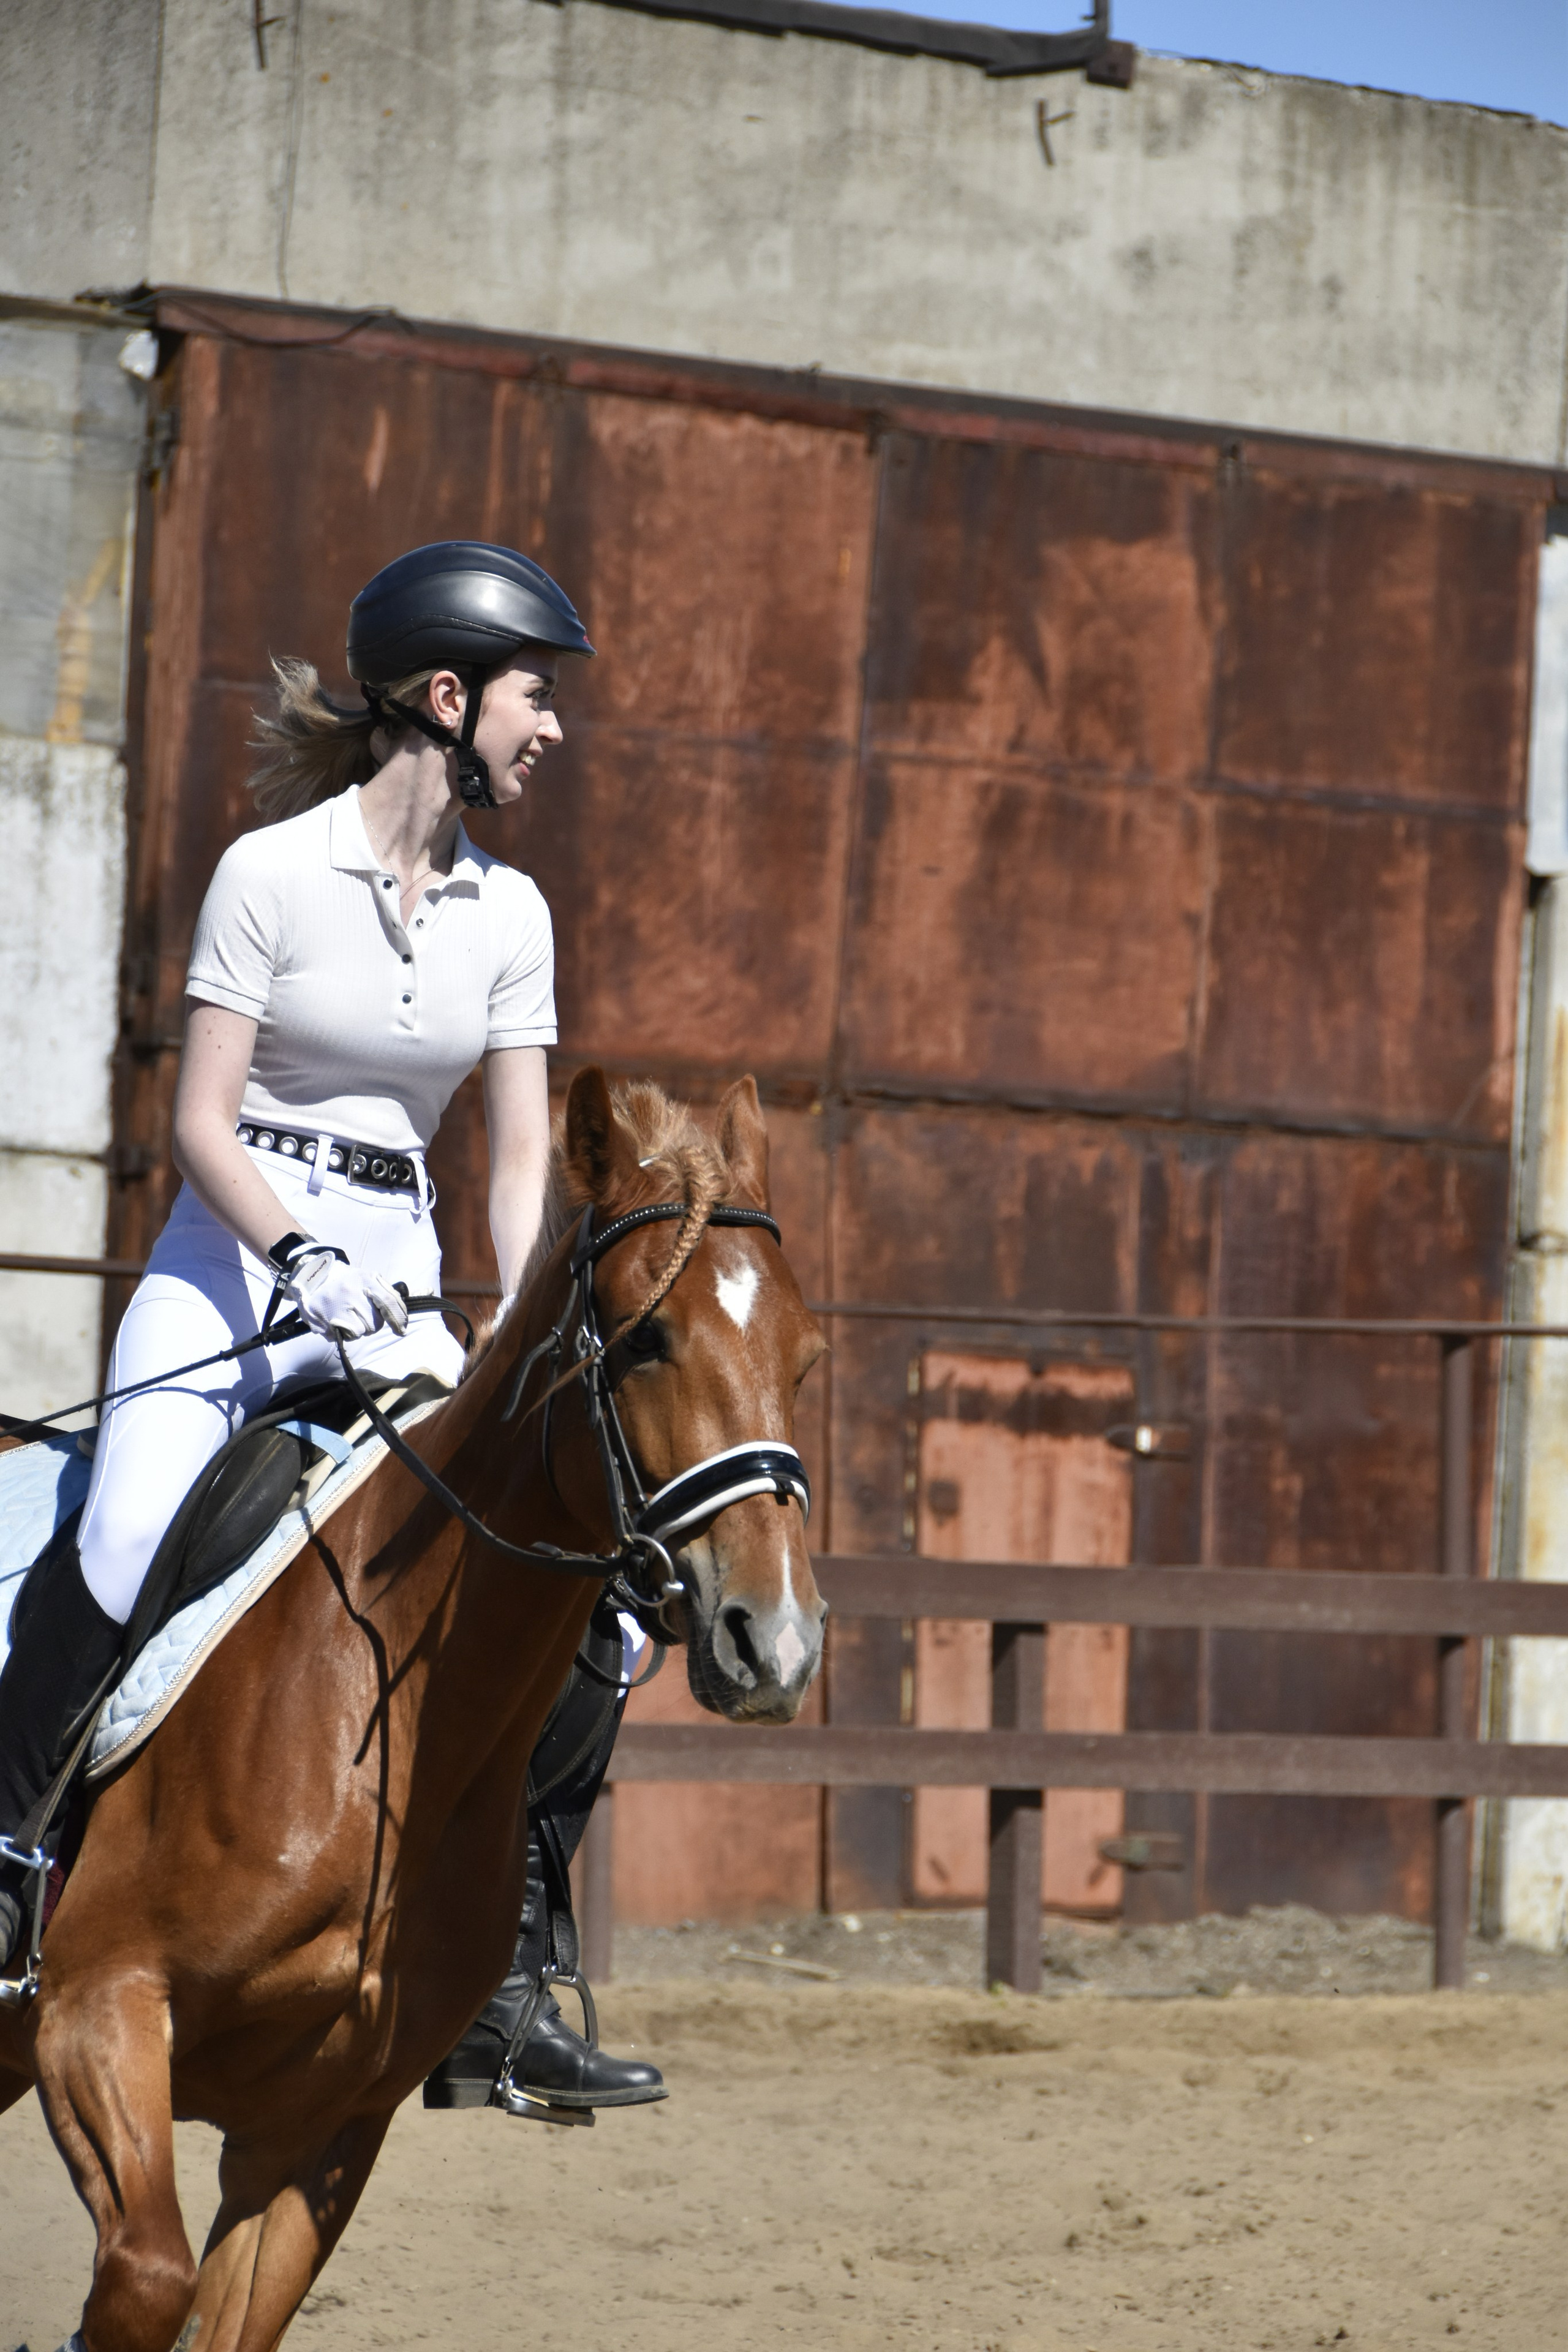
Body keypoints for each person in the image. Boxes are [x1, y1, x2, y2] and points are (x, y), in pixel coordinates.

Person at [0, 541, 663, 2115]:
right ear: (447, 700)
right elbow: (203, 1120)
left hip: (400, 1285)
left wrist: (509, 1349)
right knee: (126, 1534)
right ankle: (16, 1866)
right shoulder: (272, 874)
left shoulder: (513, 916)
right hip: (236, 1265)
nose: (550, 727)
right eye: (532, 696)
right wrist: (293, 1253)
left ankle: (501, 1984)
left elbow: (514, 1170)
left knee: (577, 1599)